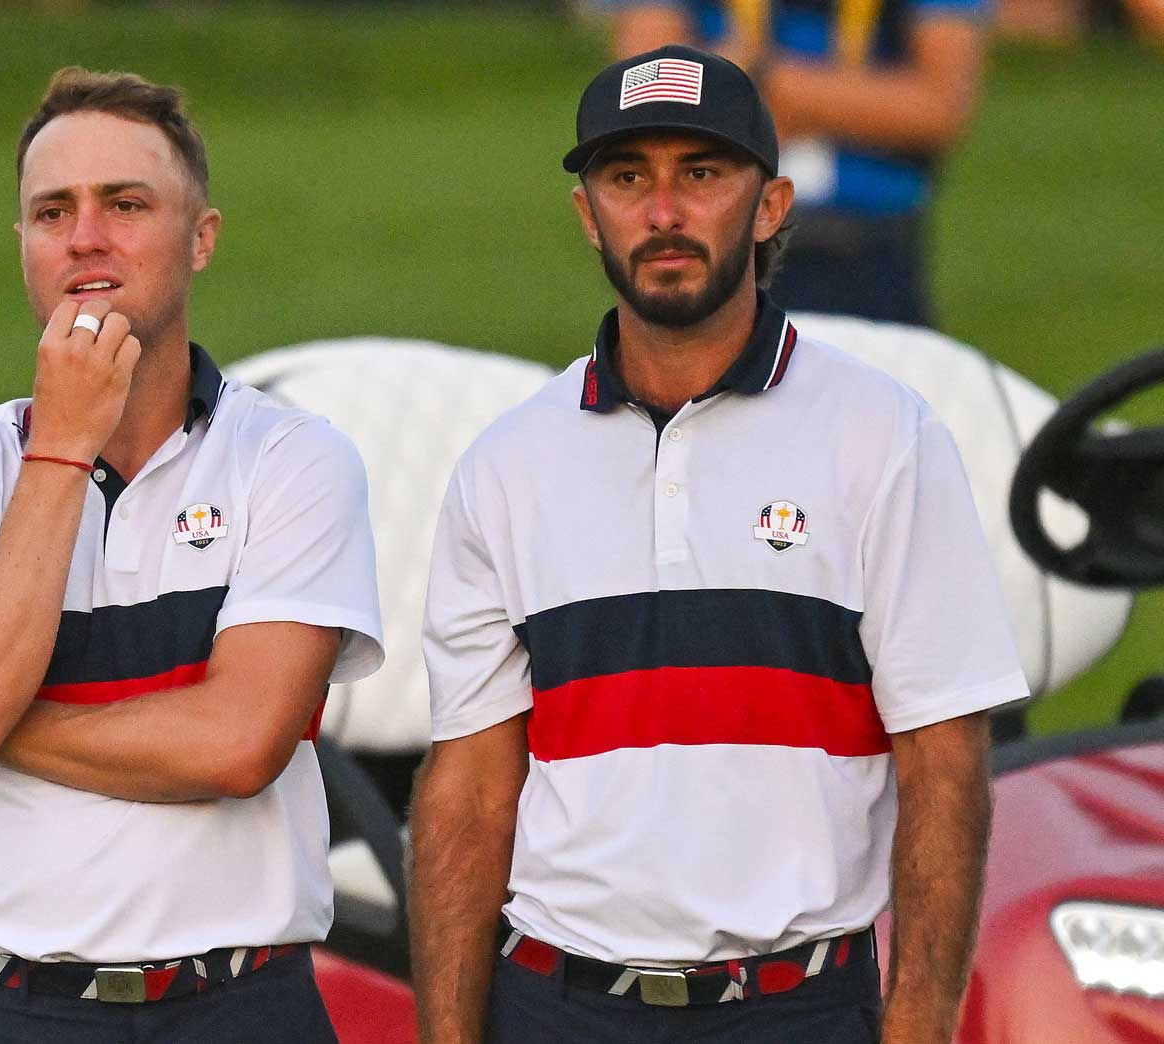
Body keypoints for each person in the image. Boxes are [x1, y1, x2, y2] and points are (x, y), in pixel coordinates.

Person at [409, 46, 1028, 1044]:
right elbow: (469, 789)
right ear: (586, 215)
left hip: (794, 1011)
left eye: (699, 174)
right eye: (625, 178)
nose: (661, 212)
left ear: (770, 204)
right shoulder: (506, 463)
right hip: (553, 1008)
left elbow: (943, 764)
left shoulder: (882, 437)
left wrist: (913, 1024)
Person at [0, 67, 384, 1042]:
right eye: (50, 211)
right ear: (21, 244)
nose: (85, 237)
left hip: (238, 1005)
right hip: (13, 1004)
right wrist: (61, 445)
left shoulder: (291, 456)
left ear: (201, 238)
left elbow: (236, 746)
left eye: (125, 204)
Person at [608, 0, 985, 325]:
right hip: (715, 247)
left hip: (868, 250)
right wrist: (849, 103)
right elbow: (649, 95)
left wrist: (754, 79)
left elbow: (937, 109)